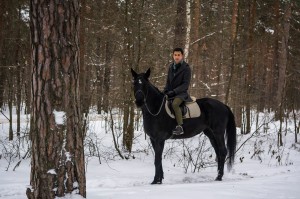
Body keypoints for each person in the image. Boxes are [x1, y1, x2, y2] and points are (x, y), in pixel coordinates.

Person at [163, 47, 193, 135]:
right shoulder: (171, 67)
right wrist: (165, 91)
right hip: (171, 92)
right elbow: (168, 82)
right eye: (175, 55)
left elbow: (185, 84)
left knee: (175, 104)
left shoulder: (186, 68)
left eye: (178, 55)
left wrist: (175, 91)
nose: (176, 57)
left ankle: (180, 126)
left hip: (181, 94)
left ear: (182, 56)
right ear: (173, 56)